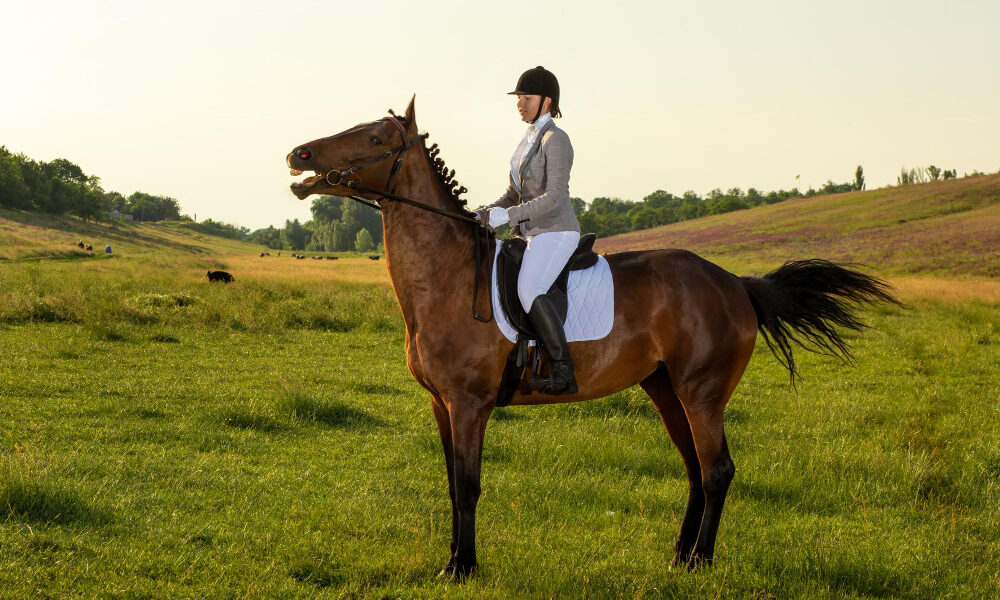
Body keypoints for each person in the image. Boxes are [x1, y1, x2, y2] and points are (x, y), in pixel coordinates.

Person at [476, 66, 581, 394]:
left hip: (555, 230)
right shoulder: (526, 140)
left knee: (529, 288)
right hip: (529, 234)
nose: (519, 103)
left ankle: (563, 370)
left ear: (547, 101)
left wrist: (507, 218)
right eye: (518, 98)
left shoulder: (556, 139)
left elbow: (555, 197)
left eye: (527, 98)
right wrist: (483, 213)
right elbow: (512, 195)